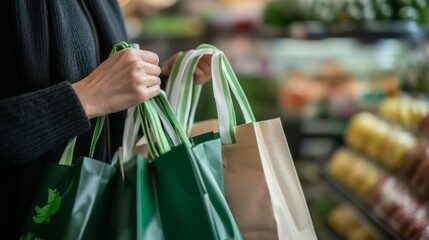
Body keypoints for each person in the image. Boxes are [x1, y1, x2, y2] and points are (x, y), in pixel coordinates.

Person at [0, 1, 212, 239]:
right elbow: (95, 95)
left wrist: (161, 83)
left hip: (104, 218)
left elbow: (111, 120)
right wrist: (84, 98)